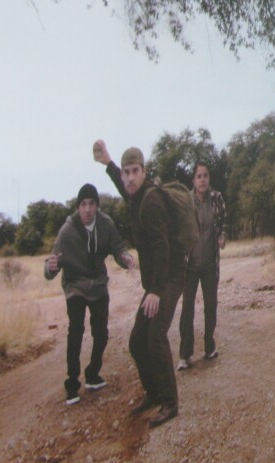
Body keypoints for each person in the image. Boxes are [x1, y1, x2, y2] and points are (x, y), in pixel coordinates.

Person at [93, 140, 184, 428]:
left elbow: (162, 249)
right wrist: (108, 163)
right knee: (136, 342)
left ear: (144, 172)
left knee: (155, 337)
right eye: (126, 172)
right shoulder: (136, 195)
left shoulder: (152, 201)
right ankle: (154, 393)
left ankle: (170, 403)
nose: (130, 177)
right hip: (157, 281)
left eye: (135, 171)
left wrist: (156, 291)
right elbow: (123, 189)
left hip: (169, 279)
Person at [44, 183, 135, 406]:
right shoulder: (67, 231)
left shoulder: (106, 224)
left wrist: (126, 258)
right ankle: (72, 385)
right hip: (75, 285)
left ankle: (93, 374)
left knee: (101, 333)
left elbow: (118, 247)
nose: (87, 209)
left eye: (91, 204)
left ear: (96, 206)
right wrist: (51, 267)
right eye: (83, 204)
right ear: (78, 207)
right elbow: (50, 265)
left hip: (99, 285)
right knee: (76, 331)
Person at [177, 162, 227, 370]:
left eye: (205, 175)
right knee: (187, 308)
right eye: (199, 176)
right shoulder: (186, 201)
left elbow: (223, 222)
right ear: (193, 180)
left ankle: (209, 347)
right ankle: (185, 355)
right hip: (189, 265)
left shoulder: (217, 198)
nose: (203, 179)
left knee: (211, 305)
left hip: (209, 263)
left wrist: (222, 236)